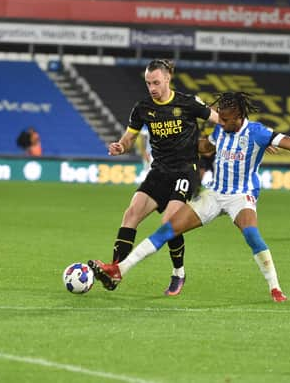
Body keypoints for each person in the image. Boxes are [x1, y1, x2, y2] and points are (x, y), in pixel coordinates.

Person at [89, 92, 290, 302]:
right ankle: (118, 270)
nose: (221, 123)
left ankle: (275, 289)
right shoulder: (221, 130)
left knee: (251, 234)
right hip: (214, 193)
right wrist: (183, 139)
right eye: (220, 119)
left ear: (240, 116)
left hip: (240, 195)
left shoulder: (257, 133)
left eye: (226, 119)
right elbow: (206, 146)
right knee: (168, 229)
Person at [89, 59, 218, 296]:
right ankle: (115, 271)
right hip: (159, 171)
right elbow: (129, 138)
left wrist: (251, 136)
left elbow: (220, 120)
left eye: (156, 82)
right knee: (131, 213)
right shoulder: (142, 108)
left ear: (168, 78)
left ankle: (178, 272)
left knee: (169, 221)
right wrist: (120, 146)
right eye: (148, 83)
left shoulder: (188, 103)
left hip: (185, 171)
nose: (152, 88)